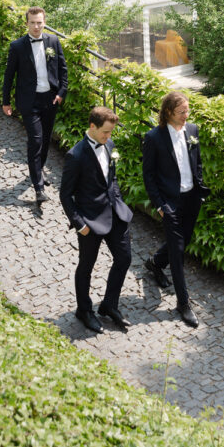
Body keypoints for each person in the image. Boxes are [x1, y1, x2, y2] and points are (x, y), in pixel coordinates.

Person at [60, 107, 133, 333]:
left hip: (115, 214)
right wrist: (79, 224)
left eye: (111, 133)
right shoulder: (76, 155)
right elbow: (65, 195)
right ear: (92, 126)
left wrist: (118, 200)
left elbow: (111, 180)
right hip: (90, 222)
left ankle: (109, 305)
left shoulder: (109, 146)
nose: (109, 137)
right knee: (86, 267)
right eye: (105, 132)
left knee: (124, 259)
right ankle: (84, 310)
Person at [142, 91, 209, 327]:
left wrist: (199, 189)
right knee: (178, 252)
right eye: (182, 112)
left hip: (191, 198)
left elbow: (197, 162)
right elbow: (148, 176)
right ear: (168, 112)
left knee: (182, 242)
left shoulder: (193, 131)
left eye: (187, 110)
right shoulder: (154, 137)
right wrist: (160, 206)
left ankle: (156, 263)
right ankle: (183, 303)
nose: (186, 115)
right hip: (170, 203)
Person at [2, 7, 67, 205]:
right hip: (29, 101)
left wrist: (61, 93)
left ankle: (39, 169)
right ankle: (38, 187)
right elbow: (9, 75)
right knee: (36, 140)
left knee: (46, 139)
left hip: (50, 100)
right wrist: (6, 101)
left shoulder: (53, 41)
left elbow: (63, 69)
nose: (36, 26)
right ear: (27, 23)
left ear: (44, 22)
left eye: (39, 22)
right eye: (33, 22)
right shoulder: (17, 46)